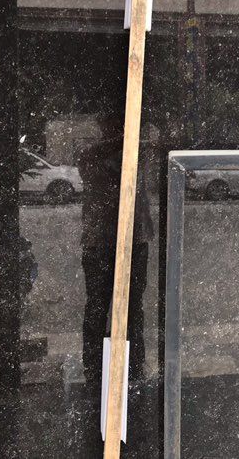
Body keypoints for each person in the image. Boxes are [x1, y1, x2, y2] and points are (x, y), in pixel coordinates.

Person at [76, 115, 154, 454]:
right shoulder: (94, 154)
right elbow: (90, 165)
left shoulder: (137, 151)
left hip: (133, 239)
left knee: (131, 307)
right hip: (101, 241)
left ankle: (132, 368)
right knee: (98, 307)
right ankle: (96, 370)